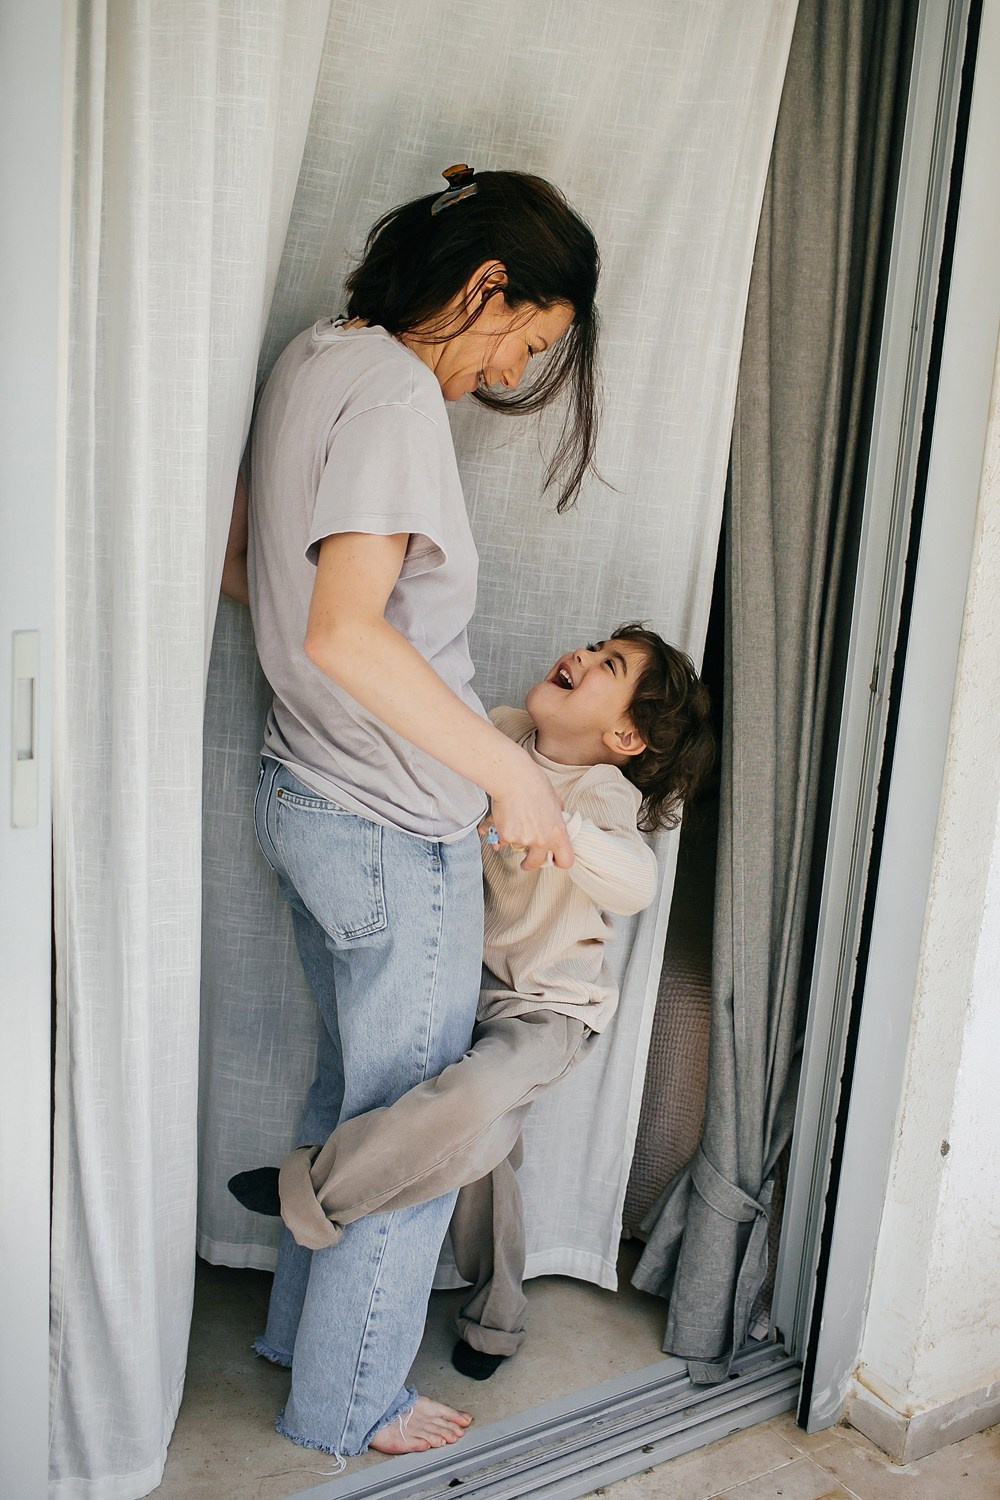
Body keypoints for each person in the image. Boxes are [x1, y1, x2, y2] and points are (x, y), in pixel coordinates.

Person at [222, 166, 603, 1461]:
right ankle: (348, 1402)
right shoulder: (389, 394)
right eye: (527, 337)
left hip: (307, 788)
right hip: (389, 817)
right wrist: (514, 776)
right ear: (486, 284)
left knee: (358, 1099)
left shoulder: (314, 357)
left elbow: (248, 568)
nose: (508, 371)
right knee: (422, 1128)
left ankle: (296, 1337)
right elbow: (345, 630)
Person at [230, 626, 715, 1380]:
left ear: (624, 734)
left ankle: (315, 1189)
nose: (580, 655)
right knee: (480, 1159)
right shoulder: (502, 733)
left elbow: (638, 884)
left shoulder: (602, 796)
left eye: (607, 665)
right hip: (462, 983)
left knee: (477, 1105)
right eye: (589, 645)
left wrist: (561, 828)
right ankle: (497, 1321)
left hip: (545, 1013)